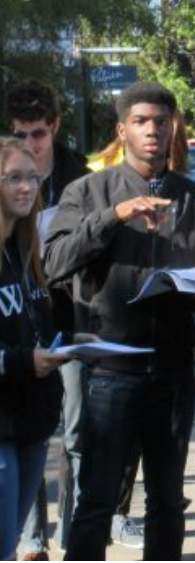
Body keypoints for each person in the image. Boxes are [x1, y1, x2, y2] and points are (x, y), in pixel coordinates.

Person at [44, 81, 195, 561]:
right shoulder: (88, 190)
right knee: (97, 499)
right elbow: (55, 261)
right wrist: (114, 217)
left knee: (167, 499)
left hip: (173, 371)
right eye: (141, 122)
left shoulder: (194, 200)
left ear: (173, 128)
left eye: (161, 122)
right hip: (109, 373)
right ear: (122, 129)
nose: (152, 131)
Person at [4, 81, 90, 561]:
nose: (30, 144)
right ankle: (32, 541)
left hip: (68, 317)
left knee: (75, 434)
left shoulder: (81, 175)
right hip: (21, 326)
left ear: (55, 127)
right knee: (28, 432)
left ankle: (72, 536)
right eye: (20, 132)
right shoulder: (7, 173)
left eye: (38, 133)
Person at [0, 137, 69, 562]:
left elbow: (40, 325)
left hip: (33, 424)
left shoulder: (26, 251)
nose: (26, 187)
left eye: (32, 178)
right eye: (13, 179)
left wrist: (75, 341)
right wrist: (25, 360)